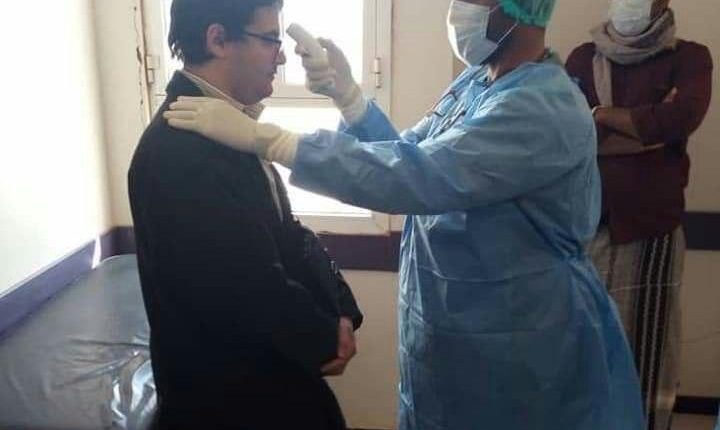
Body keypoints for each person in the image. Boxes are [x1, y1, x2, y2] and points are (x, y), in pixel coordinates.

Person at [163, 0, 645, 428]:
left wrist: (275, 141)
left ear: (515, 7)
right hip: (452, 338)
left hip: (520, 343)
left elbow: (420, 177)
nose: (457, 9)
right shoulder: (476, 84)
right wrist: (350, 100)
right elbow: (407, 155)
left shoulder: (544, 107)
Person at [127, 0, 363, 428]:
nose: (282, 57)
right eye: (270, 39)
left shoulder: (229, 129)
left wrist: (343, 308)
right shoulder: (179, 150)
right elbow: (247, 286)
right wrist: (325, 336)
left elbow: (289, 234)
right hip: (233, 403)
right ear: (218, 39)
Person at [565, 1, 713, 428]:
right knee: (584, 349)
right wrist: (646, 132)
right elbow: (571, 132)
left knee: (646, 354)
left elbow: (679, 118)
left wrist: (601, 115)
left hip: (652, 230)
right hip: (588, 226)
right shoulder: (582, 59)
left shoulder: (690, 58)